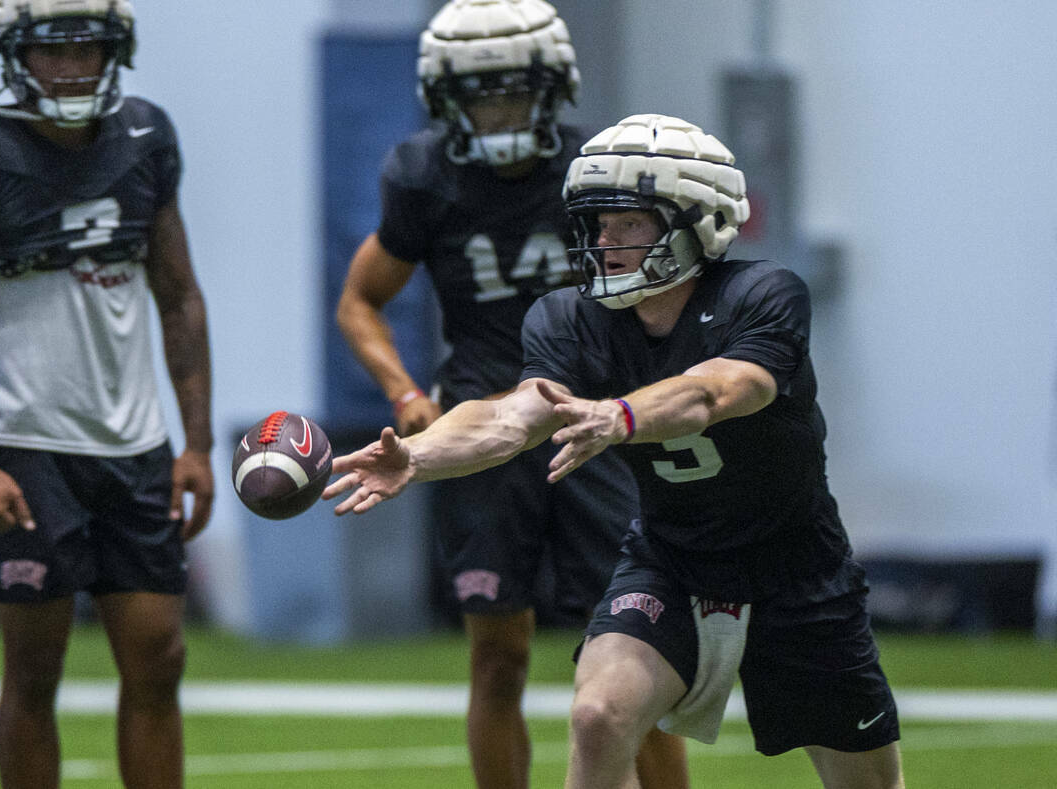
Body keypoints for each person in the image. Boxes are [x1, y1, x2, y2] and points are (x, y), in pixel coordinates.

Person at [326, 113, 905, 789]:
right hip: (672, 560)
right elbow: (514, 416)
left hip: (797, 570)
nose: (605, 241)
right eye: (598, 224)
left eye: (627, 222)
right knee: (600, 714)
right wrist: (419, 455)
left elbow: (719, 391)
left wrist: (622, 413)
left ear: (695, 219)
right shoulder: (570, 317)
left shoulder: (760, 294)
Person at [334, 1, 688, 786]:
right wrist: (402, 393)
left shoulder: (596, 173)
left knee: (636, 656)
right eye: (480, 93)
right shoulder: (423, 177)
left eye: (513, 91)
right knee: (498, 659)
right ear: (444, 96)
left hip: (590, 428)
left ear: (553, 86)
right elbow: (360, 300)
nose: (496, 111)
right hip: (479, 430)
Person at [0, 2, 213, 787]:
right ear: (11, 56)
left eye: (90, 44)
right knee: (35, 671)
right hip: (27, 442)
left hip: (135, 443)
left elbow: (178, 295)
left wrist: (198, 443)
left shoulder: (146, 137)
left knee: (159, 661)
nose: (75, 62)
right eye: (54, 48)